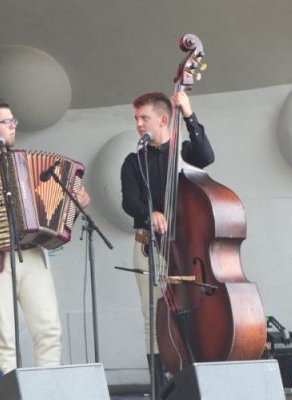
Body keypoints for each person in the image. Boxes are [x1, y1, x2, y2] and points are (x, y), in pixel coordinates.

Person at [0, 99, 91, 375]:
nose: (13, 127)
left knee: (48, 328)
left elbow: (56, 211)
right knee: (5, 336)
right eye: (7, 122)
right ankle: (10, 391)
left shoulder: (23, 163)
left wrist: (76, 203)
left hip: (32, 252)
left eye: (14, 121)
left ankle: (47, 390)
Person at [119, 91, 214, 388]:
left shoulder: (184, 154)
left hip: (186, 246)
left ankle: (194, 377)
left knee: (189, 310)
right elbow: (129, 201)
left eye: (143, 118)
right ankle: (160, 385)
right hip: (148, 245)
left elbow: (207, 156)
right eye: (136, 118)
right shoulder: (134, 161)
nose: (138, 124)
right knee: (153, 314)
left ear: (162, 119)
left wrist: (189, 114)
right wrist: (151, 213)